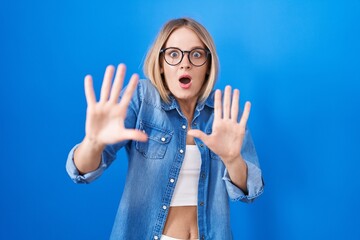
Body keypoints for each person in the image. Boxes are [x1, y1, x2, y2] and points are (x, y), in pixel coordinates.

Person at [66, 17, 264, 240]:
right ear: (160, 64)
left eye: (196, 54)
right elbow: (81, 172)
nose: (185, 63)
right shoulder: (142, 98)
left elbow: (251, 191)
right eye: (173, 54)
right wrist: (93, 143)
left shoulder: (223, 113)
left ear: (208, 66)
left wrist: (232, 159)